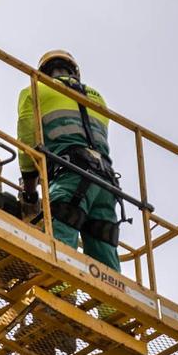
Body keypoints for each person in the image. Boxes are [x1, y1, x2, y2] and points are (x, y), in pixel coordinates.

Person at [17, 50, 121, 271]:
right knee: (106, 265)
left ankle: (56, 295)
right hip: (106, 184)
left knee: (59, 243)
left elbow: (27, 140)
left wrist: (29, 191)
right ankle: (110, 306)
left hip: (69, 177)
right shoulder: (98, 98)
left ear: (44, 72)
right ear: (75, 72)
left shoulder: (36, 88)